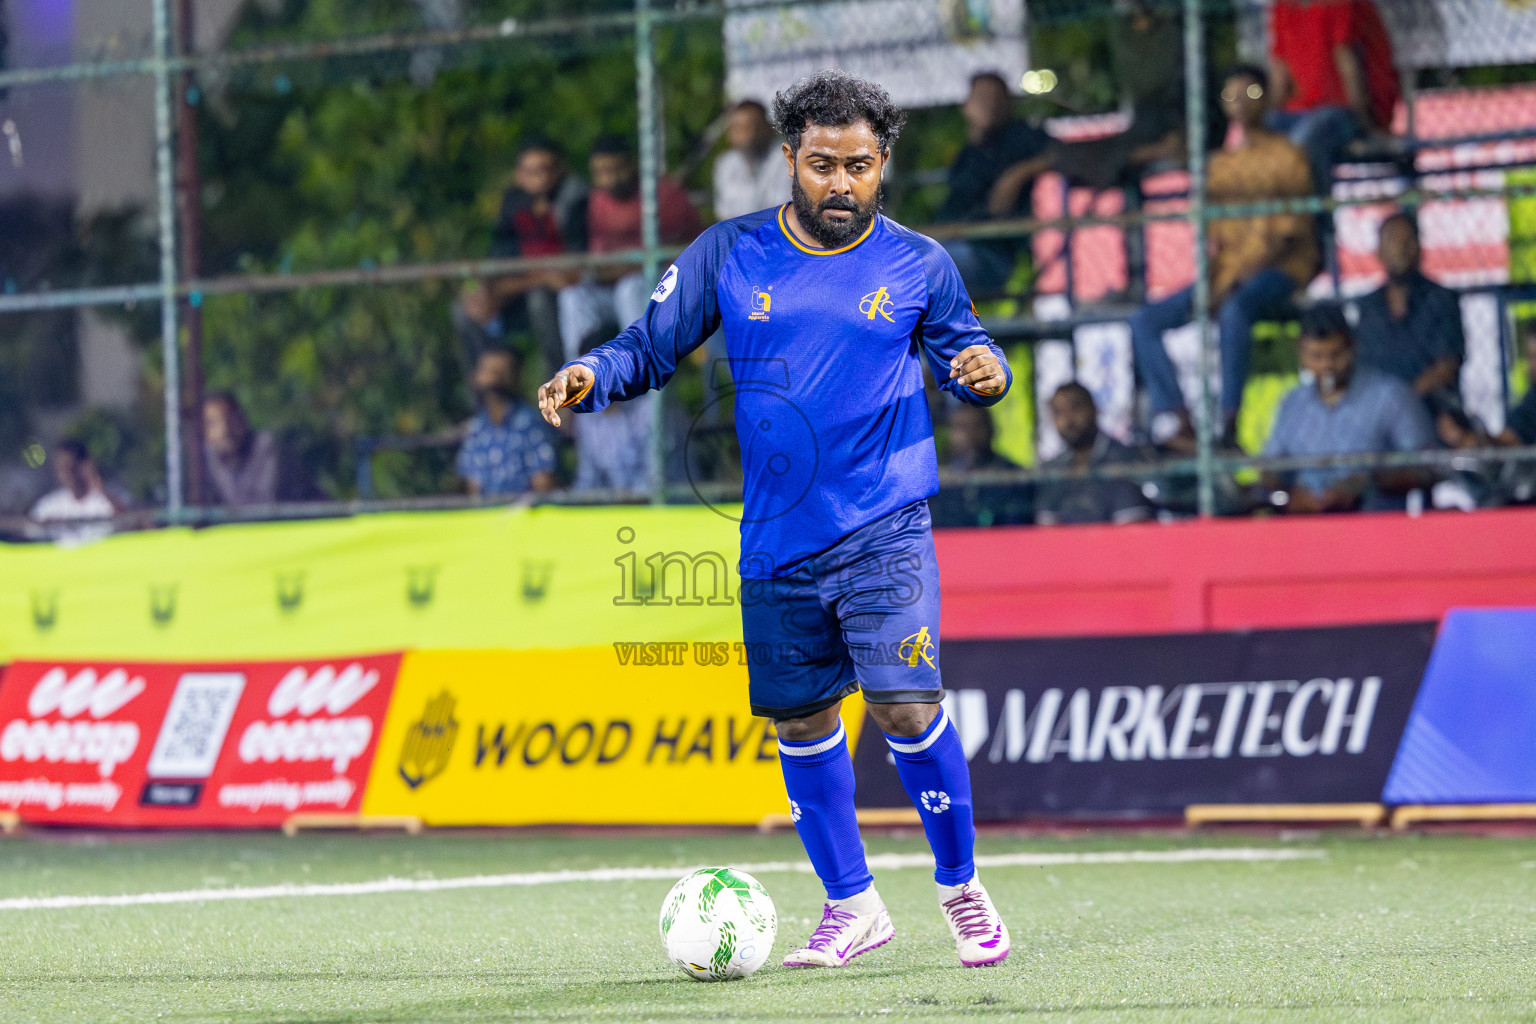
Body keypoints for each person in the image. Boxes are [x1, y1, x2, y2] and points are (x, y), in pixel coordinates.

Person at [537, 70, 1014, 968]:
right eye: (825, 164)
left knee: (907, 705)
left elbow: (968, 346)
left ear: (884, 165)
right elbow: (649, 344)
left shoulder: (919, 263)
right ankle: (853, 905)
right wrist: (594, 372)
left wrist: (986, 369)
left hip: (885, 525)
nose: (843, 185)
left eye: (861, 167)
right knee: (801, 723)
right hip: (777, 538)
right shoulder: (729, 251)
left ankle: (960, 887)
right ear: (790, 158)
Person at [1129, 64, 1318, 451]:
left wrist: (1229, 284)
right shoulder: (1220, 165)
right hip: (1226, 273)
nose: (1240, 104)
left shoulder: (1288, 156)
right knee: (1144, 321)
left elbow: (1285, 235)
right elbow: (1215, 240)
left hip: (1280, 269)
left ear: (1266, 99)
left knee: (1235, 311)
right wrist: (1217, 280)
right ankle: (1178, 418)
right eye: (1231, 95)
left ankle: (1228, 421)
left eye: (1250, 94)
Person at [1263, 305, 1434, 513]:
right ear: (1301, 354)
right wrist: (1289, 497)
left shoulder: (1390, 396)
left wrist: (1371, 481)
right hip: (1307, 525)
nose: (1327, 365)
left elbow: (1428, 468)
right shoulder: (1292, 404)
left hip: (1376, 527)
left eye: (1336, 355)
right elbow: (1270, 469)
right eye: (1316, 356)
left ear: (1353, 347)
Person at [557, 135, 703, 365]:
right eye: (601, 172)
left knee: (630, 289)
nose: (610, 179)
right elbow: (597, 261)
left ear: (632, 164)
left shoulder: (663, 193)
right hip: (614, 288)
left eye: (616, 169)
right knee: (573, 296)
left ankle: (643, 387)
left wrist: (619, 269)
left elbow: (684, 254)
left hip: (667, 288)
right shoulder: (595, 202)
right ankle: (580, 384)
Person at [457, 139, 588, 374]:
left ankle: (560, 387)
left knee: (539, 300)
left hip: (563, 299)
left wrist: (530, 282)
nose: (538, 179)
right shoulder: (513, 203)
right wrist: (483, 290)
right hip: (521, 293)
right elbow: (499, 261)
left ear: (561, 170)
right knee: (465, 308)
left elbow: (572, 271)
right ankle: (487, 391)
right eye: (530, 172)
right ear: (519, 174)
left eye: (544, 170)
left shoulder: (575, 200)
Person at [935, 72, 1052, 295]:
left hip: (990, 256)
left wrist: (1017, 175)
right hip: (948, 246)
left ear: (1009, 103)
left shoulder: (1023, 138)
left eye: (997, 97)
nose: (990, 104)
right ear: (966, 106)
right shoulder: (968, 155)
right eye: (982, 97)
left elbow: (1060, 156)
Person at [1267, 0, 1399, 192]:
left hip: (1344, 111)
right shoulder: (1283, 6)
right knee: (1265, 129)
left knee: (1305, 140)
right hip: (1300, 112)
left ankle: (1316, 218)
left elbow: (1346, 58)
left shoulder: (1339, 3)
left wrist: (1363, 122)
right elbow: (1280, 72)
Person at [1352, 211, 1464, 415]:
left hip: (1432, 409)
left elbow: (1448, 365)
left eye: (1409, 241)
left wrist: (1402, 399)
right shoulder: (1368, 307)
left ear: (1420, 249)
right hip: (1378, 412)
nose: (1401, 249)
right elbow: (1361, 367)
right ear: (1379, 252)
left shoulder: (1440, 299)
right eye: (1393, 240)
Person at [1035, 383, 1154, 525]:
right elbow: (1046, 529)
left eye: (1075, 408)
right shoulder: (1053, 469)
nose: (1067, 420)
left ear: (1094, 408)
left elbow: (1130, 530)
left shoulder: (1125, 459)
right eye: (1058, 412)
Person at [456, 346, 558, 498]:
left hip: (526, 516)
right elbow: (473, 490)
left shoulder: (531, 423)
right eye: (487, 371)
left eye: (497, 372)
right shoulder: (477, 429)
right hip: (487, 517)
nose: (491, 378)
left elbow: (543, 485)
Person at [203, 392, 319, 506]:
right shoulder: (202, 461)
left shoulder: (267, 449)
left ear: (243, 419)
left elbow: (264, 504)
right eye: (213, 423)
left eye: (230, 418)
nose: (224, 430)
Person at [928, 403, 1032, 527]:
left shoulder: (1014, 477)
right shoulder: (942, 482)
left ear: (991, 430)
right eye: (961, 427)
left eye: (976, 427)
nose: (969, 435)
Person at [28, 439, 127, 542]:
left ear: (84, 465)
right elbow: (30, 533)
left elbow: (127, 524)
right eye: (61, 468)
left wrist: (100, 490)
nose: (67, 473)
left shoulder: (106, 501)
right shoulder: (48, 506)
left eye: (70, 466)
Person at [713, 99, 791, 220]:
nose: (742, 133)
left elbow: (784, 212)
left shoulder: (788, 158)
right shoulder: (726, 164)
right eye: (736, 127)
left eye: (749, 126)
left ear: (767, 127)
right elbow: (724, 215)